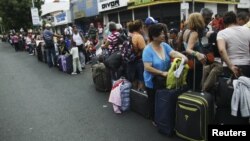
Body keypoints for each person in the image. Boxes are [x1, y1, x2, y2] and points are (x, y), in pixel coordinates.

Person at [142, 23, 187, 124]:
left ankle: (163, 116)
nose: (164, 35)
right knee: (153, 100)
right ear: (154, 36)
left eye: (163, 33)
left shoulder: (165, 45)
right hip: (152, 81)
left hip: (164, 78)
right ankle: (154, 118)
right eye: (161, 34)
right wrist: (162, 73)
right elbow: (147, 67)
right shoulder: (147, 50)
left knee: (162, 100)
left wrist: (183, 57)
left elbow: (173, 53)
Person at [217, 11, 250, 78]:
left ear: (224, 22)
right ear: (236, 20)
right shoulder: (248, 30)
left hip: (230, 66)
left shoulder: (222, 33)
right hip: (246, 65)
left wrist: (231, 66)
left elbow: (221, 50)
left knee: (231, 87)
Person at [126, 20, 146, 91]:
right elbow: (144, 50)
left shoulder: (130, 35)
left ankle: (134, 95)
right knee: (141, 79)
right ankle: (140, 95)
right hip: (138, 60)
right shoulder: (139, 36)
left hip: (130, 60)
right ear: (140, 28)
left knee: (134, 79)